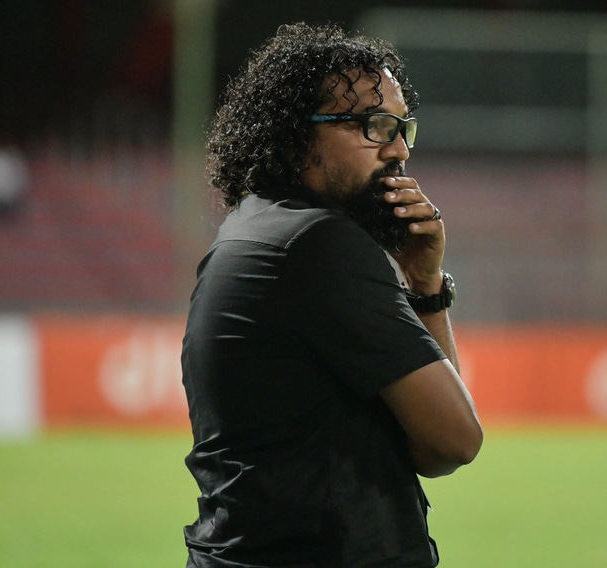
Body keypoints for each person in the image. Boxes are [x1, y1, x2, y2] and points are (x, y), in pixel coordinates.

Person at [180, 22, 483, 568]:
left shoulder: (251, 229)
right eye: (374, 125)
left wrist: (424, 284)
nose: (398, 149)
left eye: (402, 128)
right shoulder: (318, 243)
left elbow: (434, 448)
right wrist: (424, 290)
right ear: (297, 134)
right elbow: (453, 442)